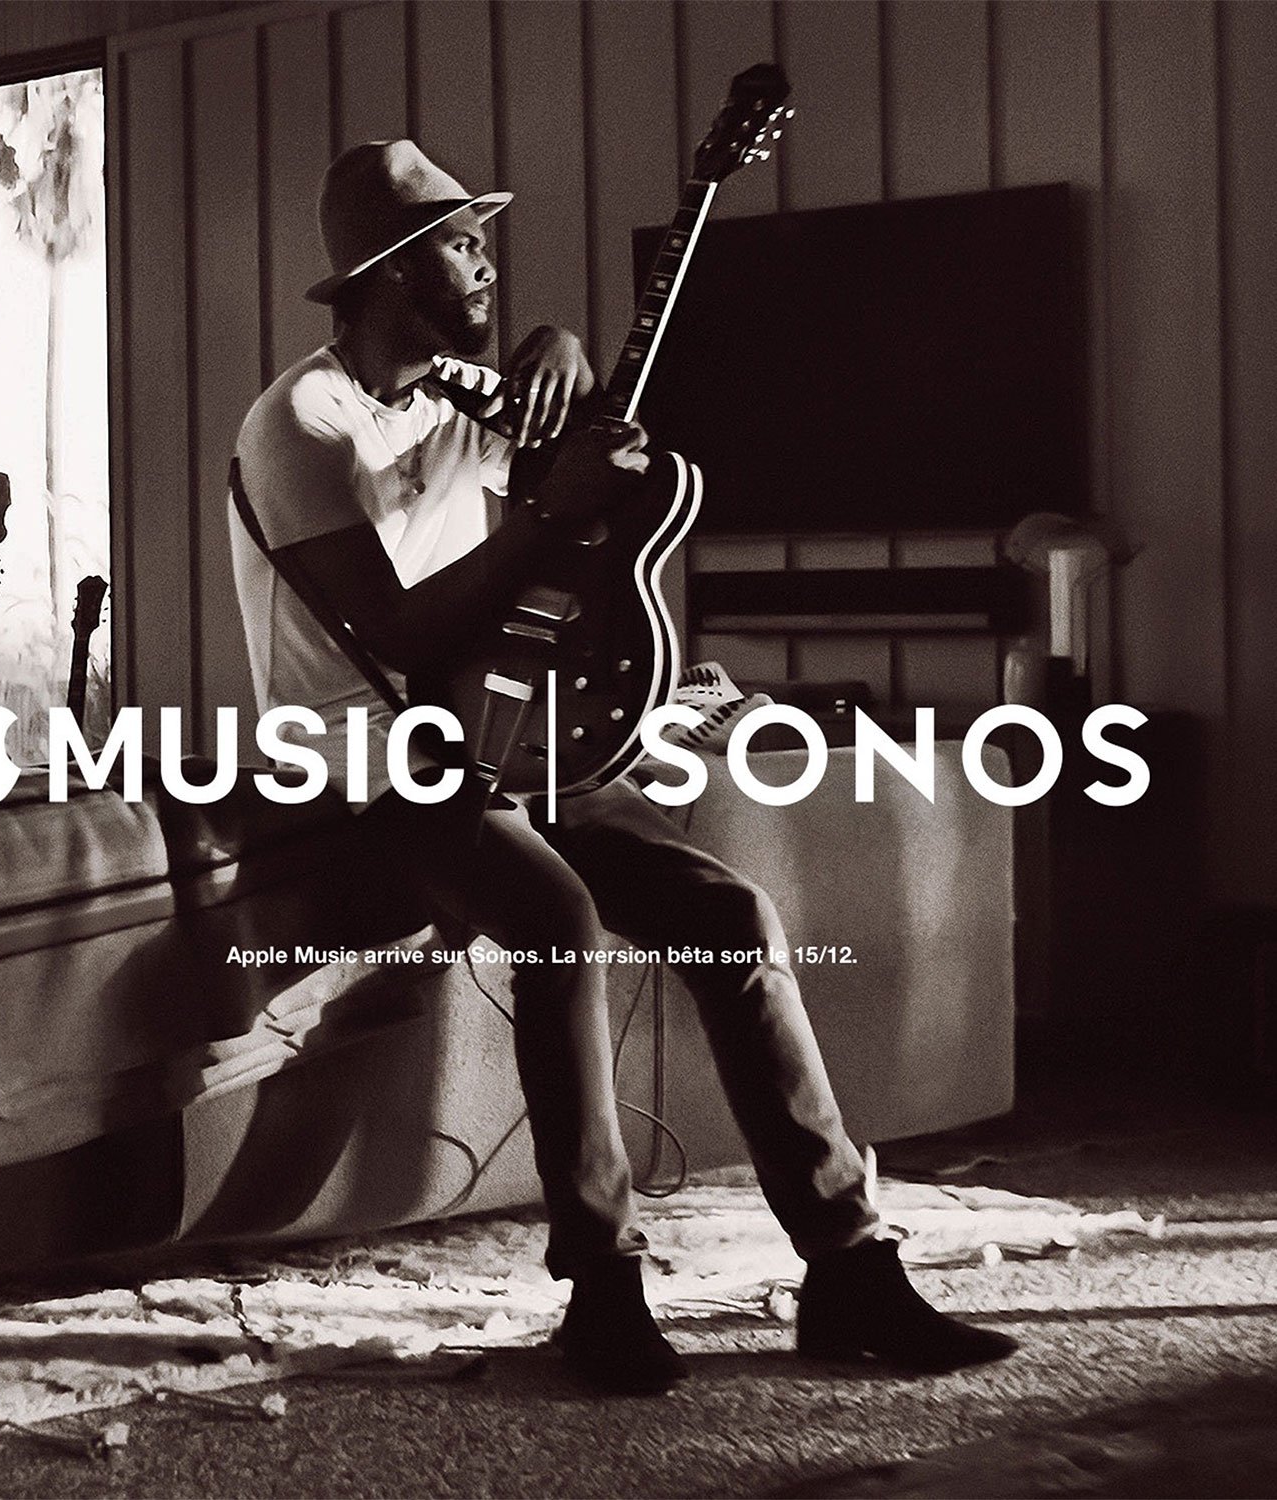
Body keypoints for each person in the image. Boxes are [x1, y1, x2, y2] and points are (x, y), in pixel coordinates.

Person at [229, 140, 1018, 1395]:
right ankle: (600, 1289)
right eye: (455, 242)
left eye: (480, 238)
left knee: (732, 912)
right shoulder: (301, 420)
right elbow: (397, 629)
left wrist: (559, 347)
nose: (482, 256)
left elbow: (574, 467)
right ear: (386, 273)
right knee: (558, 916)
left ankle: (851, 1269)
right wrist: (544, 506)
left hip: (500, 744)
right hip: (367, 763)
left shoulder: (451, 403)